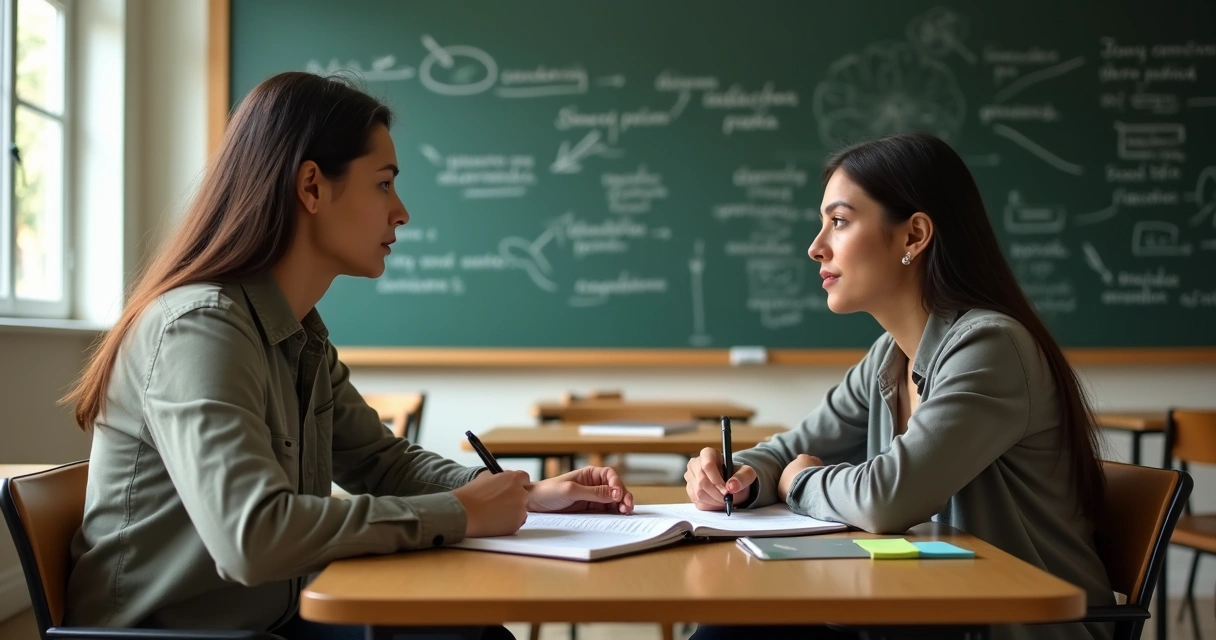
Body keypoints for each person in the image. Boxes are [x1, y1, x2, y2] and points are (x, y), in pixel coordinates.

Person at [60, 72, 635, 640]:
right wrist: (461, 513)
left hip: (271, 622)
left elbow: (383, 463)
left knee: (472, 633)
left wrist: (522, 495)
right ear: (311, 187)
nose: (401, 211)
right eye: (384, 184)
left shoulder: (298, 333)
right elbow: (252, 538)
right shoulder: (201, 328)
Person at [684, 132, 1112, 640]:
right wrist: (739, 476)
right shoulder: (889, 357)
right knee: (737, 625)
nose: (815, 246)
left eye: (839, 222)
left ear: (913, 236)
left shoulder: (990, 348)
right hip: (926, 611)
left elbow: (887, 499)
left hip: (1009, 627)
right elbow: (789, 451)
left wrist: (797, 482)